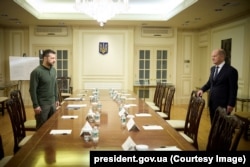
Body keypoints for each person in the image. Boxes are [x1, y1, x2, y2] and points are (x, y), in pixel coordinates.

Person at [197, 48, 238, 123]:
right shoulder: (212, 69)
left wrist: (231, 104)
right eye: (212, 56)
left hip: (224, 104)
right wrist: (202, 89)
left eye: (215, 56)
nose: (212, 58)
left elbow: (233, 89)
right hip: (212, 102)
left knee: (222, 127)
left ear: (222, 57)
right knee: (213, 124)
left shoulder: (231, 70)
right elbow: (209, 83)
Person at [29, 49, 59, 129]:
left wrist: (56, 99)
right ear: (45, 58)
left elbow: (55, 85)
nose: (54, 60)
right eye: (52, 58)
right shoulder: (36, 72)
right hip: (42, 105)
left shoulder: (53, 70)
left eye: (55, 58)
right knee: (41, 129)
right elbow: (32, 90)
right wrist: (36, 105)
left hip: (52, 103)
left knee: (53, 126)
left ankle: (51, 142)